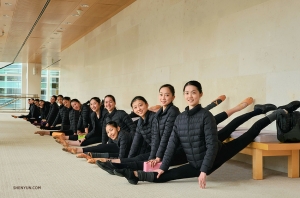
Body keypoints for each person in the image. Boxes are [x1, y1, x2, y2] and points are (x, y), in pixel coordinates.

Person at [112, 80, 283, 189]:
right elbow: (171, 144)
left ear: (200, 94)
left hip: (215, 156)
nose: (190, 95)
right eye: (187, 92)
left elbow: (210, 145)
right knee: (166, 175)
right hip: (195, 161)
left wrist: (203, 171)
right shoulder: (179, 118)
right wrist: (163, 165)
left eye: (193, 92)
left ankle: (272, 113)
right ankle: (135, 175)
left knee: (246, 133)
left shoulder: (204, 116)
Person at [63, 95, 136, 154]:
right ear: (104, 104)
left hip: (112, 138)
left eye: (110, 102)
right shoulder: (96, 115)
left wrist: (131, 142)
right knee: (84, 138)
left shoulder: (117, 113)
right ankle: (67, 141)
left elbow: (132, 128)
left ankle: (75, 147)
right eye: (106, 102)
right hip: (102, 135)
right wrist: (85, 136)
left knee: (92, 142)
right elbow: (99, 130)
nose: (108, 104)